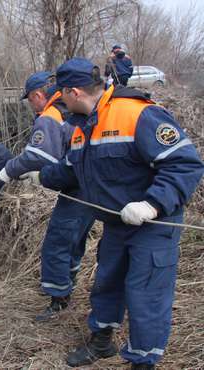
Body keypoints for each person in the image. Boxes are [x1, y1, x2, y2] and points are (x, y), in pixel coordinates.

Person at [25, 57, 203, 369]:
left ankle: (142, 362)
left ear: (74, 92)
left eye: (60, 94)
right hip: (117, 224)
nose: (58, 101)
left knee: (145, 296)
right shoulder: (83, 128)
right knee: (107, 283)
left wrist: (152, 204)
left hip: (152, 224)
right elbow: (70, 170)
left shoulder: (139, 114)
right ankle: (102, 341)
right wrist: (42, 176)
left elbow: (184, 163)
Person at [0, 71, 94, 321]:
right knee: (75, 240)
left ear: (38, 95)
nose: (32, 106)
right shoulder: (72, 111)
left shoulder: (49, 116)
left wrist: (10, 170)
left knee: (56, 244)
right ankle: (67, 285)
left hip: (76, 189)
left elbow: (36, 156)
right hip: (92, 185)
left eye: (30, 100)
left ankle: (58, 300)